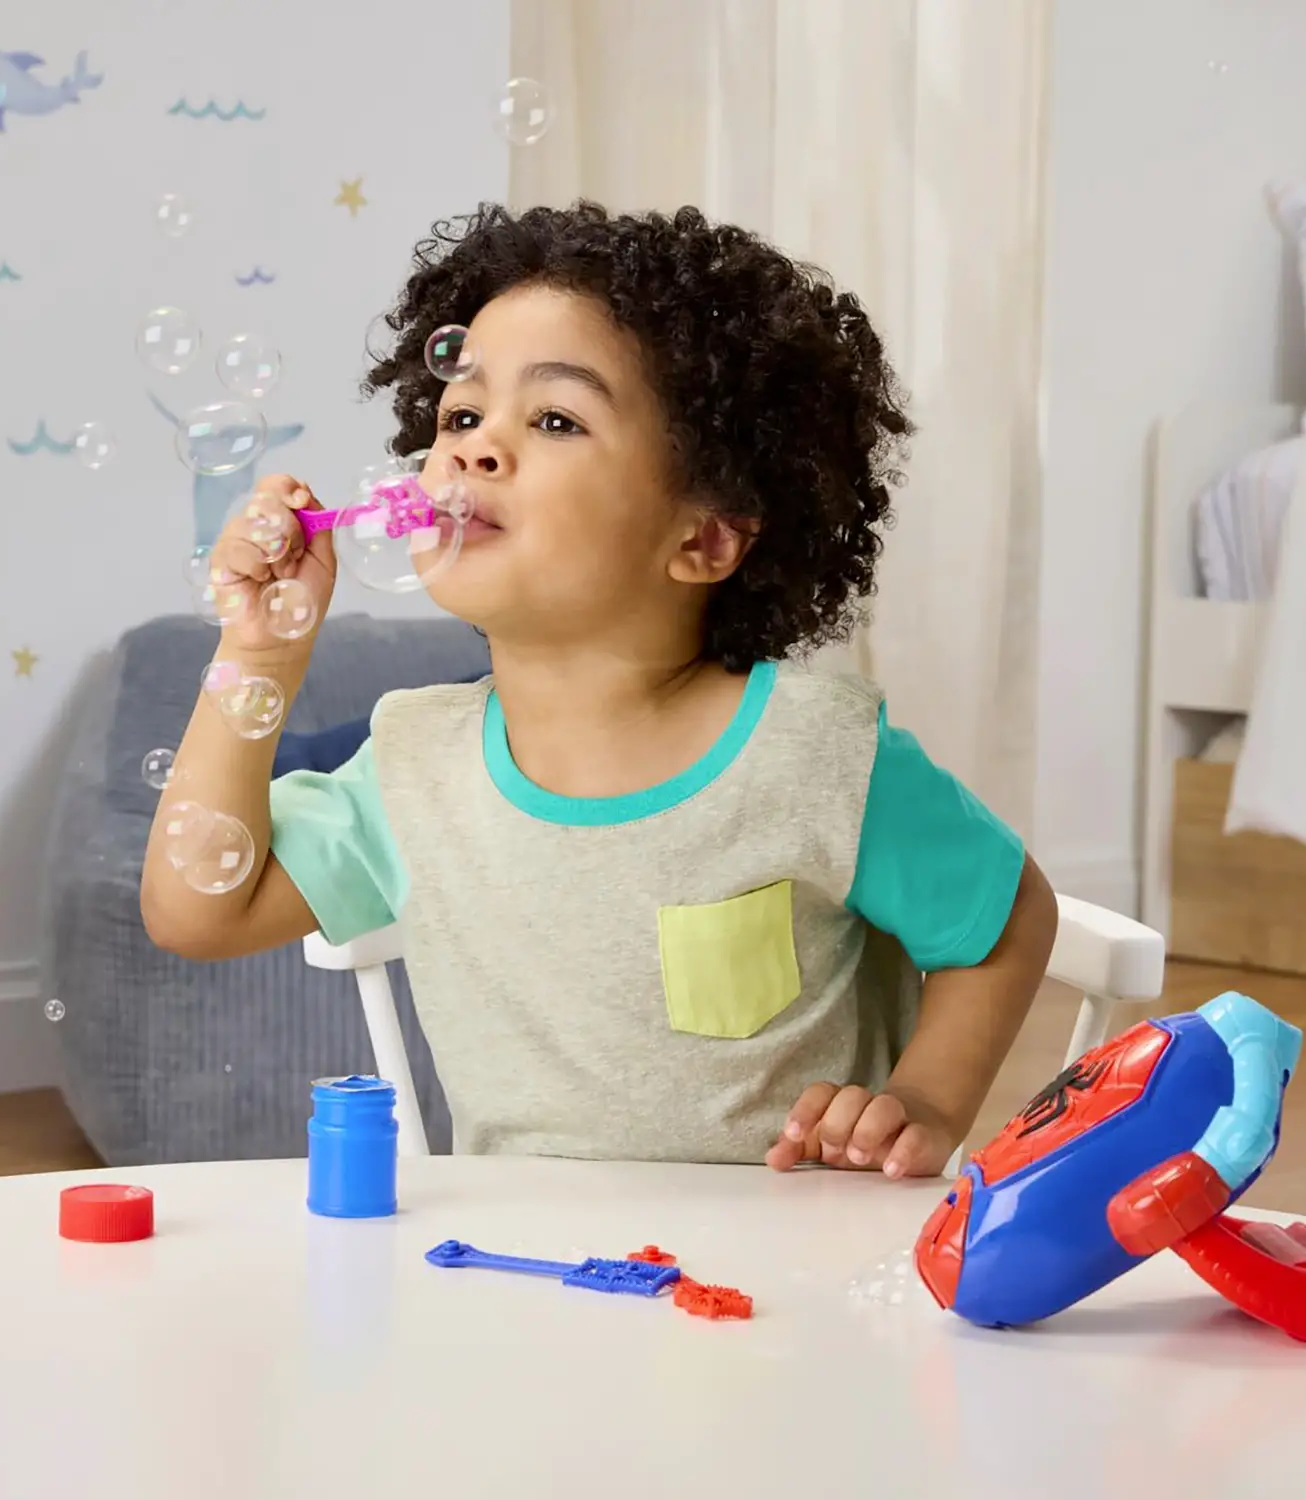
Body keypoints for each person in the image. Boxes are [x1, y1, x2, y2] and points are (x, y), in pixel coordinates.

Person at [141, 200, 1059, 1178]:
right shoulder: (416, 766)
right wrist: (261, 651)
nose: (473, 448)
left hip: (787, 1259)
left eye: (554, 419)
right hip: (527, 1259)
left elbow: (1008, 918)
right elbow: (200, 911)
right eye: (461, 415)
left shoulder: (812, 755)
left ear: (703, 538)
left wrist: (925, 1101)